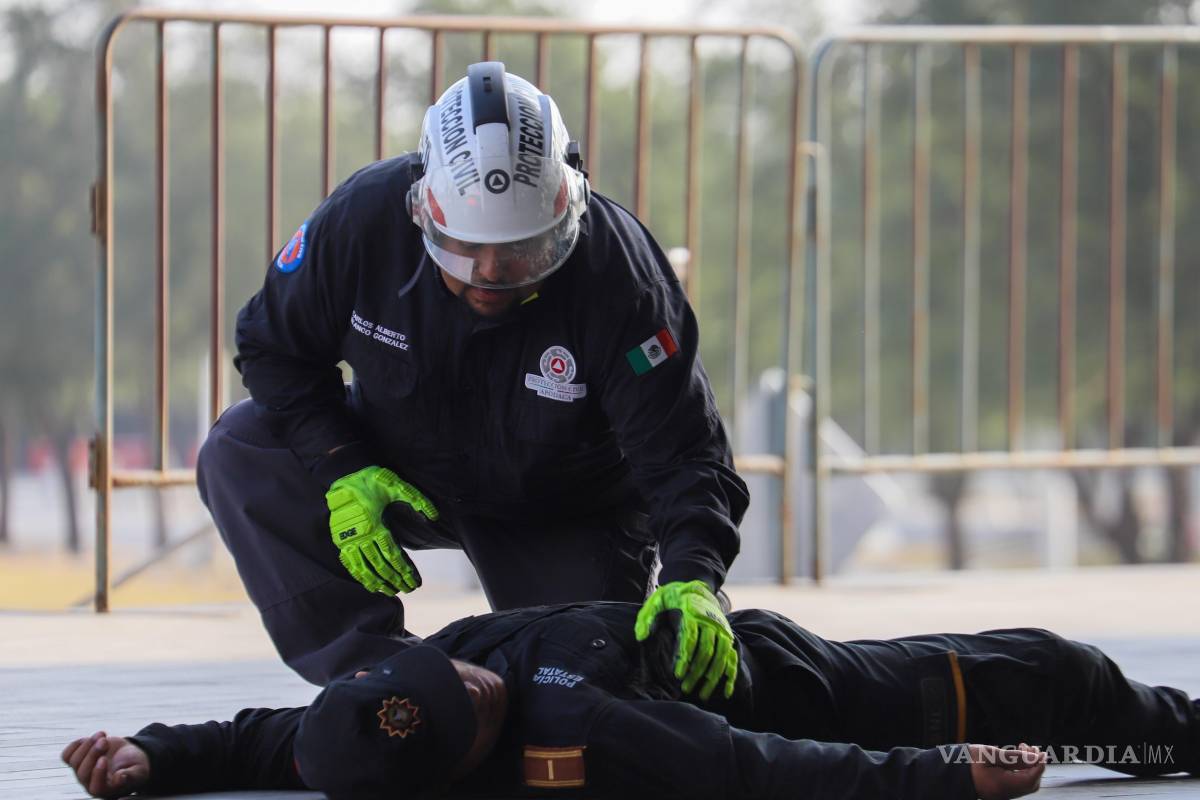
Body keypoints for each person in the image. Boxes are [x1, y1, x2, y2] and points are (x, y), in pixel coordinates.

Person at [197, 61, 749, 692]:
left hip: (561, 508)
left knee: (580, 683)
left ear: (568, 214)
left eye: (523, 252)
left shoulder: (621, 278)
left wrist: (693, 574)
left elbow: (685, 454)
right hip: (400, 474)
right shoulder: (362, 221)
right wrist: (341, 465)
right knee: (242, 449)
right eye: (464, 249)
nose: (491, 273)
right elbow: (271, 348)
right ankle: (380, 675)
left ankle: (515, 678)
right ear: (421, 210)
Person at [62, 602, 1198, 800]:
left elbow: (274, 742)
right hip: (880, 704)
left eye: (440, 670)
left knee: (1077, 675)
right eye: (468, 710)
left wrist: (153, 754)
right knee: (1076, 684)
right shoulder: (580, 717)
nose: (472, 679)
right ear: (459, 767)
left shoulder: (368, 726)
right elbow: (753, 769)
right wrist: (944, 774)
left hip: (756, 642)